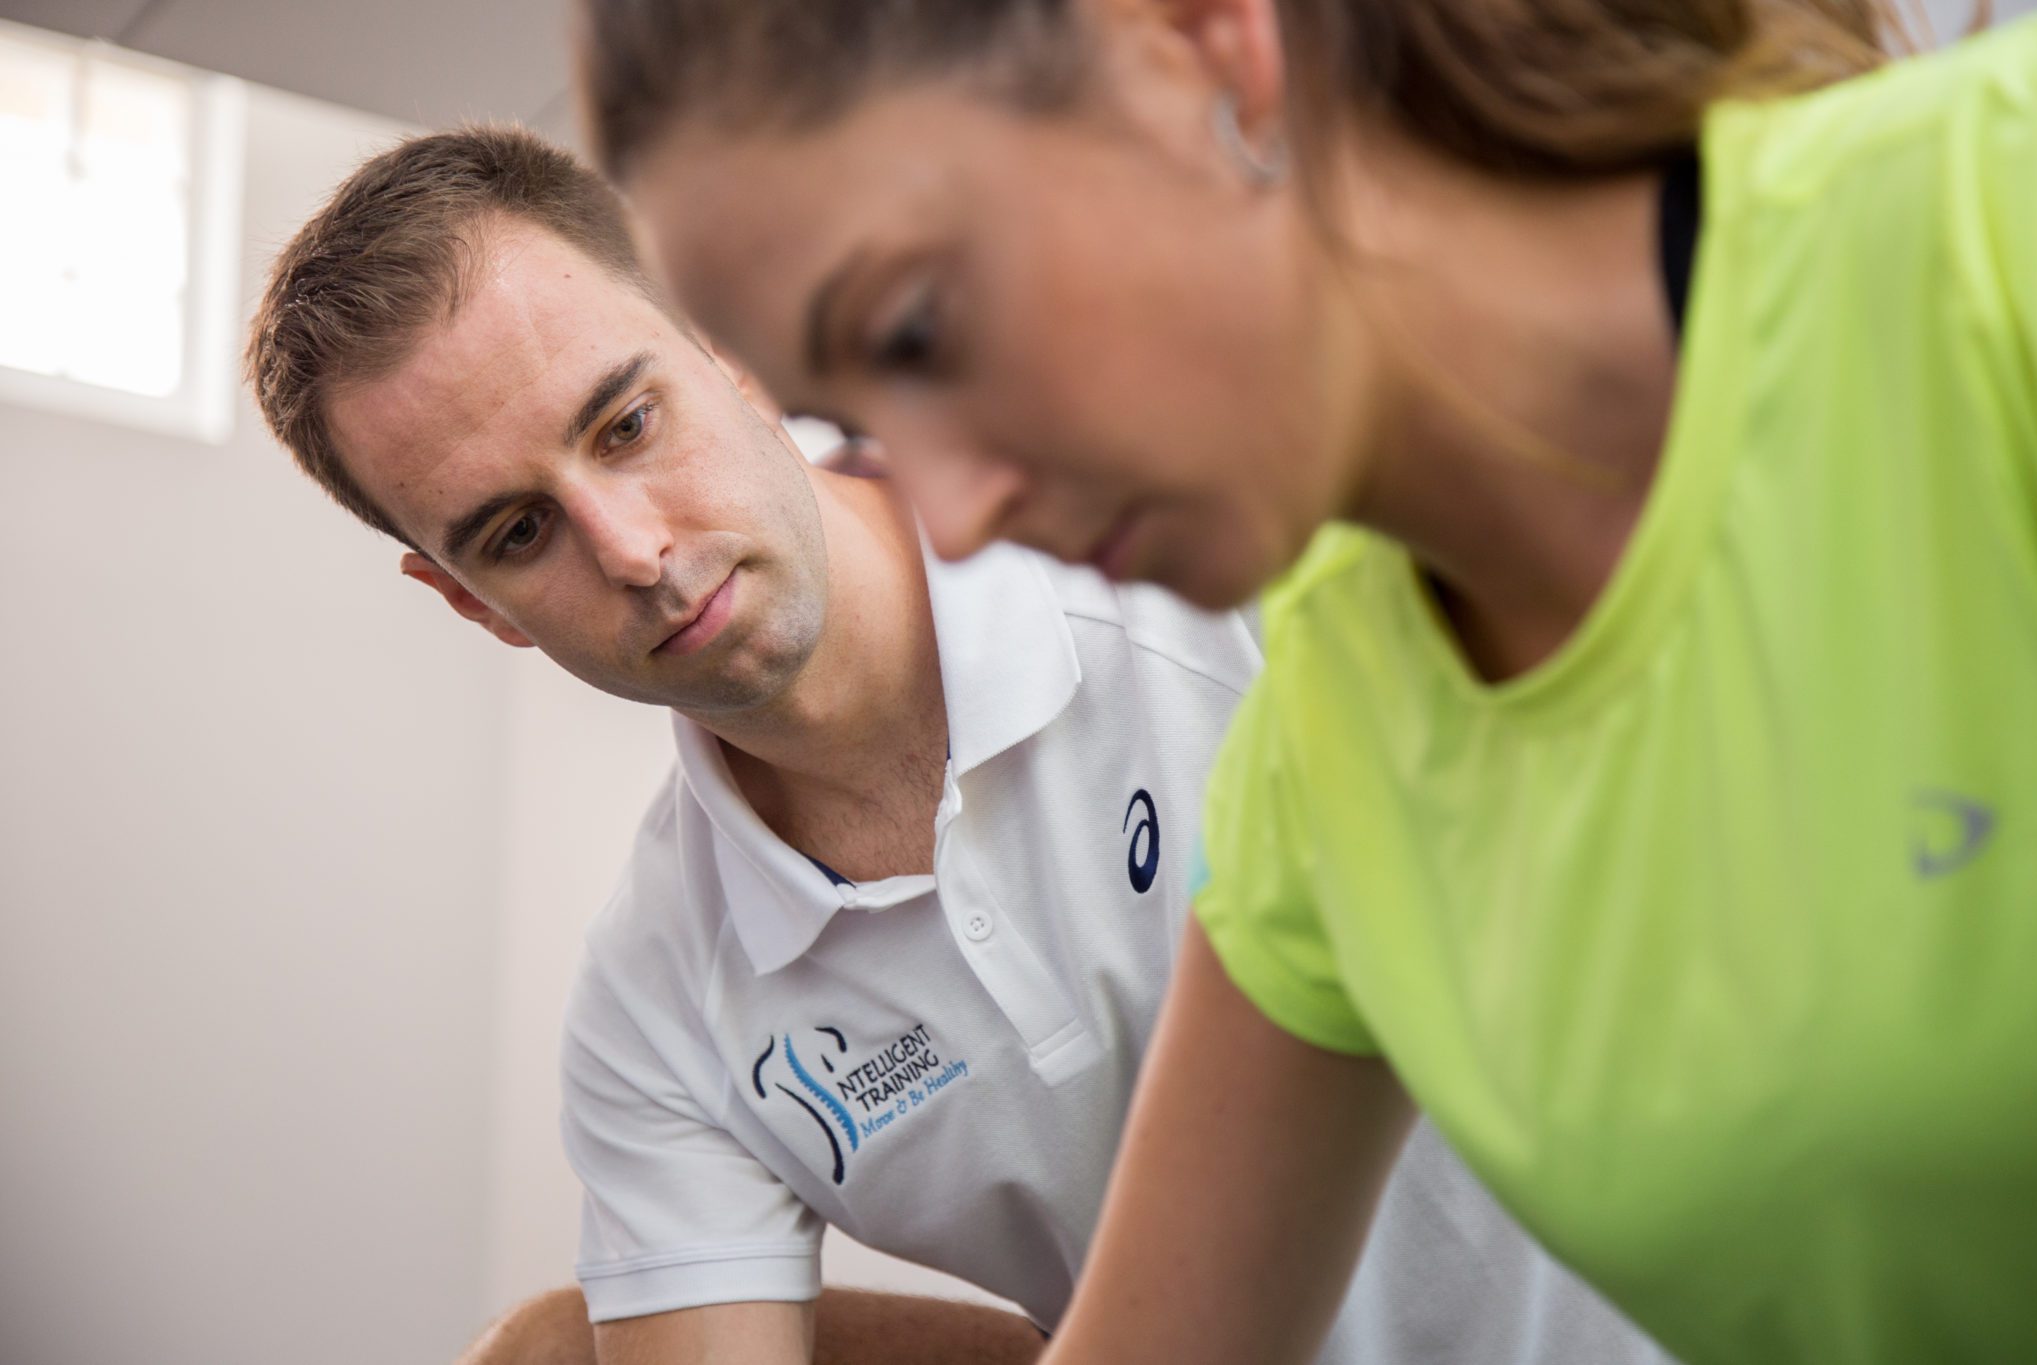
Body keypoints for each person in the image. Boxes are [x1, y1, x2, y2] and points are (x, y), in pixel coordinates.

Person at [575, 0, 2037, 1361]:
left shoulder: (1993, 227)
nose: (950, 511)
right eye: (855, 412)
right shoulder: (1335, 745)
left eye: (920, 331)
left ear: (1202, 42)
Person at [245, 128, 1673, 1365]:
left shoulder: (1195, 554)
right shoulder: (659, 1013)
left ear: (728, 346)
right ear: (465, 599)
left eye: (626, 422)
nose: (635, 550)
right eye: (517, 532)